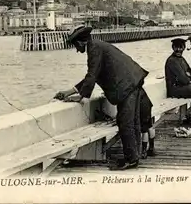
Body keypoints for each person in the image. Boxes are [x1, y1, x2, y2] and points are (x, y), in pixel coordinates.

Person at [54, 25, 151, 170]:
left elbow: (91, 75)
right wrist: (69, 92)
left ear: (81, 42)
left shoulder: (94, 50)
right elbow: (93, 76)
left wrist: (81, 96)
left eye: (76, 45)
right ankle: (134, 157)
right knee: (133, 122)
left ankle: (131, 160)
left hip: (126, 87)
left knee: (125, 123)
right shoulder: (97, 46)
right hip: (132, 82)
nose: (76, 49)